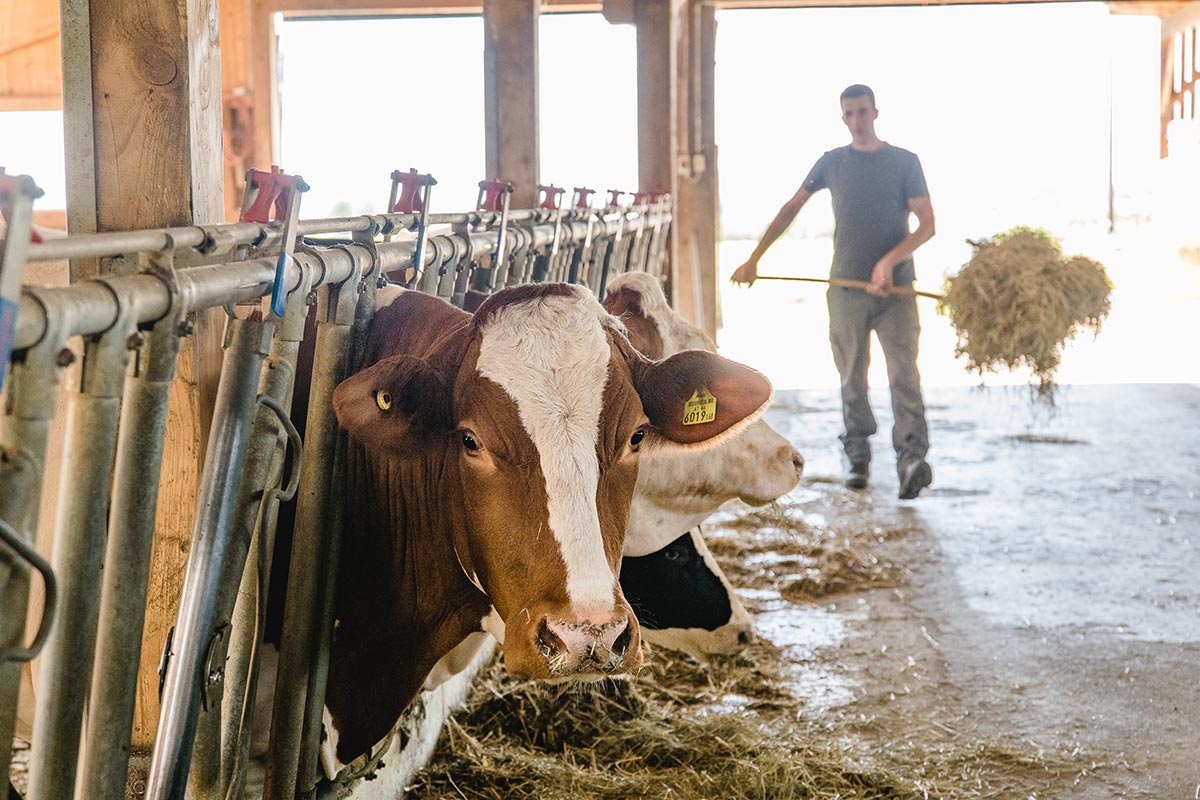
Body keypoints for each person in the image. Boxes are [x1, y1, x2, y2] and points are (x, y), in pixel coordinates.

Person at [731, 84, 935, 499]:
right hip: (845, 288)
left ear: (876, 112)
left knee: (904, 376)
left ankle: (912, 460)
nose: (857, 120)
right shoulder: (832, 162)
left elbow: (928, 224)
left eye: (863, 112)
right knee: (852, 379)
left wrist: (888, 263)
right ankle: (857, 458)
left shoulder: (904, 162)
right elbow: (792, 207)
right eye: (849, 114)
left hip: (896, 292)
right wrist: (755, 258)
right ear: (843, 119)